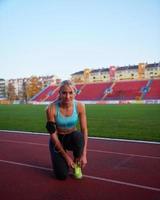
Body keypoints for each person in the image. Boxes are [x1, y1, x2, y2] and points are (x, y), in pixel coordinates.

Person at [46, 80, 88, 180]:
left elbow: (84, 129)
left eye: (70, 93)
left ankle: (76, 165)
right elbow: (53, 134)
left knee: (78, 136)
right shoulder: (51, 108)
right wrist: (67, 158)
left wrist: (84, 154)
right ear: (59, 93)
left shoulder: (80, 106)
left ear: (75, 93)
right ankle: (61, 162)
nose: (67, 96)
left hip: (71, 137)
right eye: (64, 93)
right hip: (57, 139)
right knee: (62, 175)